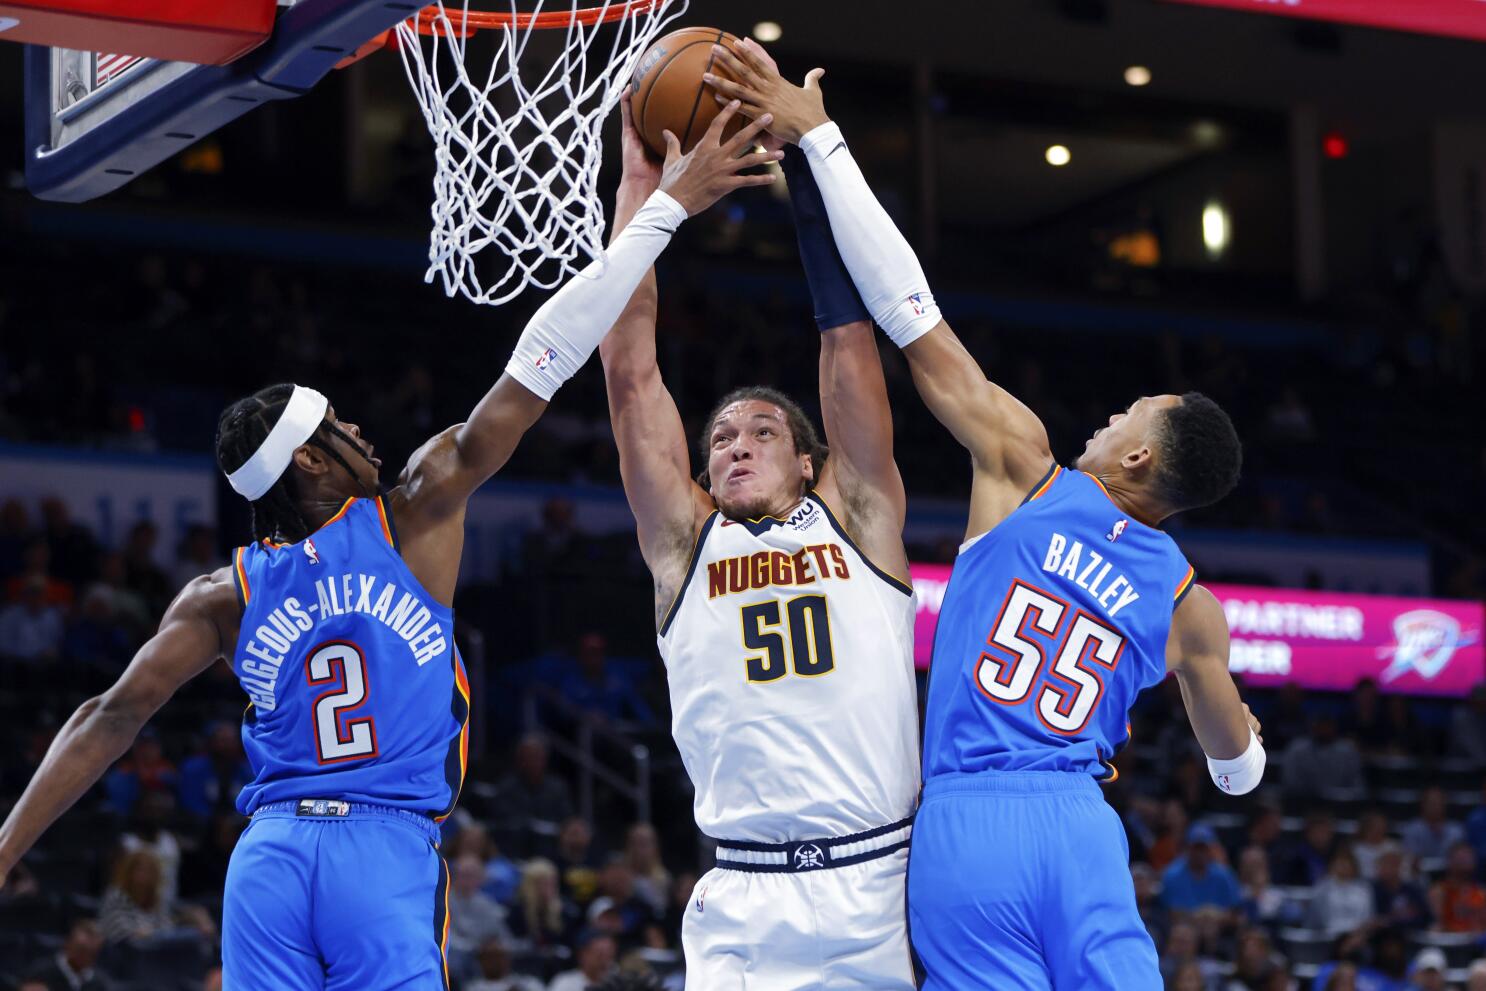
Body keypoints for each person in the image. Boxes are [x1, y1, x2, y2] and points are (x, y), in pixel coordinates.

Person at [0, 106, 774, 991]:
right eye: (336, 425)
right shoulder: (415, 508)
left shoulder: (226, 593)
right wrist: (664, 209)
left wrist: (4, 847)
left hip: (272, 858)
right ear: (306, 460)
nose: (359, 427)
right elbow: (543, 355)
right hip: (381, 848)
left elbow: (107, 714)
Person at [708, 36, 1263, 991]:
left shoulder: (1027, 470)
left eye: (1126, 413)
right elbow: (1237, 772)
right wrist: (1243, 735)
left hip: (967, 822)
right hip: (1080, 828)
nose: (1108, 413)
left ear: (1137, 454)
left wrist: (824, 141)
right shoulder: (1188, 606)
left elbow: (907, 308)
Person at [597, 78, 918, 988]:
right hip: (744, 894)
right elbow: (629, 373)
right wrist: (643, 190)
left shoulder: (859, 517)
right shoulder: (685, 545)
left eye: (762, 432)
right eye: (722, 439)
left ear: (809, 461)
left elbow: (848, 346)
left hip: (883, 882)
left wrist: (810, 164)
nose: (736, 443)